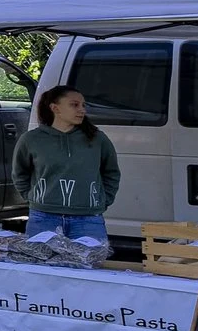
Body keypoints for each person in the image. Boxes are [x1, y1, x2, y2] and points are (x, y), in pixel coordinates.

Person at [15, 85, 121, 244]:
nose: (82, 110)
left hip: (88, 219)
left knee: (88, 265)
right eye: (74, 105)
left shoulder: (97, 139)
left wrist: (103, 200)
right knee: (41, 267)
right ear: (55, 108)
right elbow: (19, 173)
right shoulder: (31, 140)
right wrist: (34, 198)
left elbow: (111, 172)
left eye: (83, 105)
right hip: (43, 218)